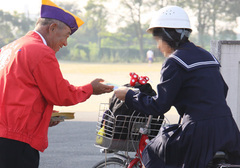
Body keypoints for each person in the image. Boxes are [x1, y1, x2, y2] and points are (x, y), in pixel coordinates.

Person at [114, 5, 240, 168]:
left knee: (152, 150)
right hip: (228, 129)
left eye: (157, 39)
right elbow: (222, 90)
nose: (158, 46)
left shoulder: (174, 62)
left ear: (166, 36)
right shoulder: (207, 56)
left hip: (198, 134)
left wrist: (129, 96)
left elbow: (159, 106)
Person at [0, 0, 113, 167]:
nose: (66, 43)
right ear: (52, 28)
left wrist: (44, 116)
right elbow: (62, 94)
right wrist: (90, 89)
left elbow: (16, 93)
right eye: (66, 35)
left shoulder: (8, 48)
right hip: (17, 140)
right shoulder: (41, 51)